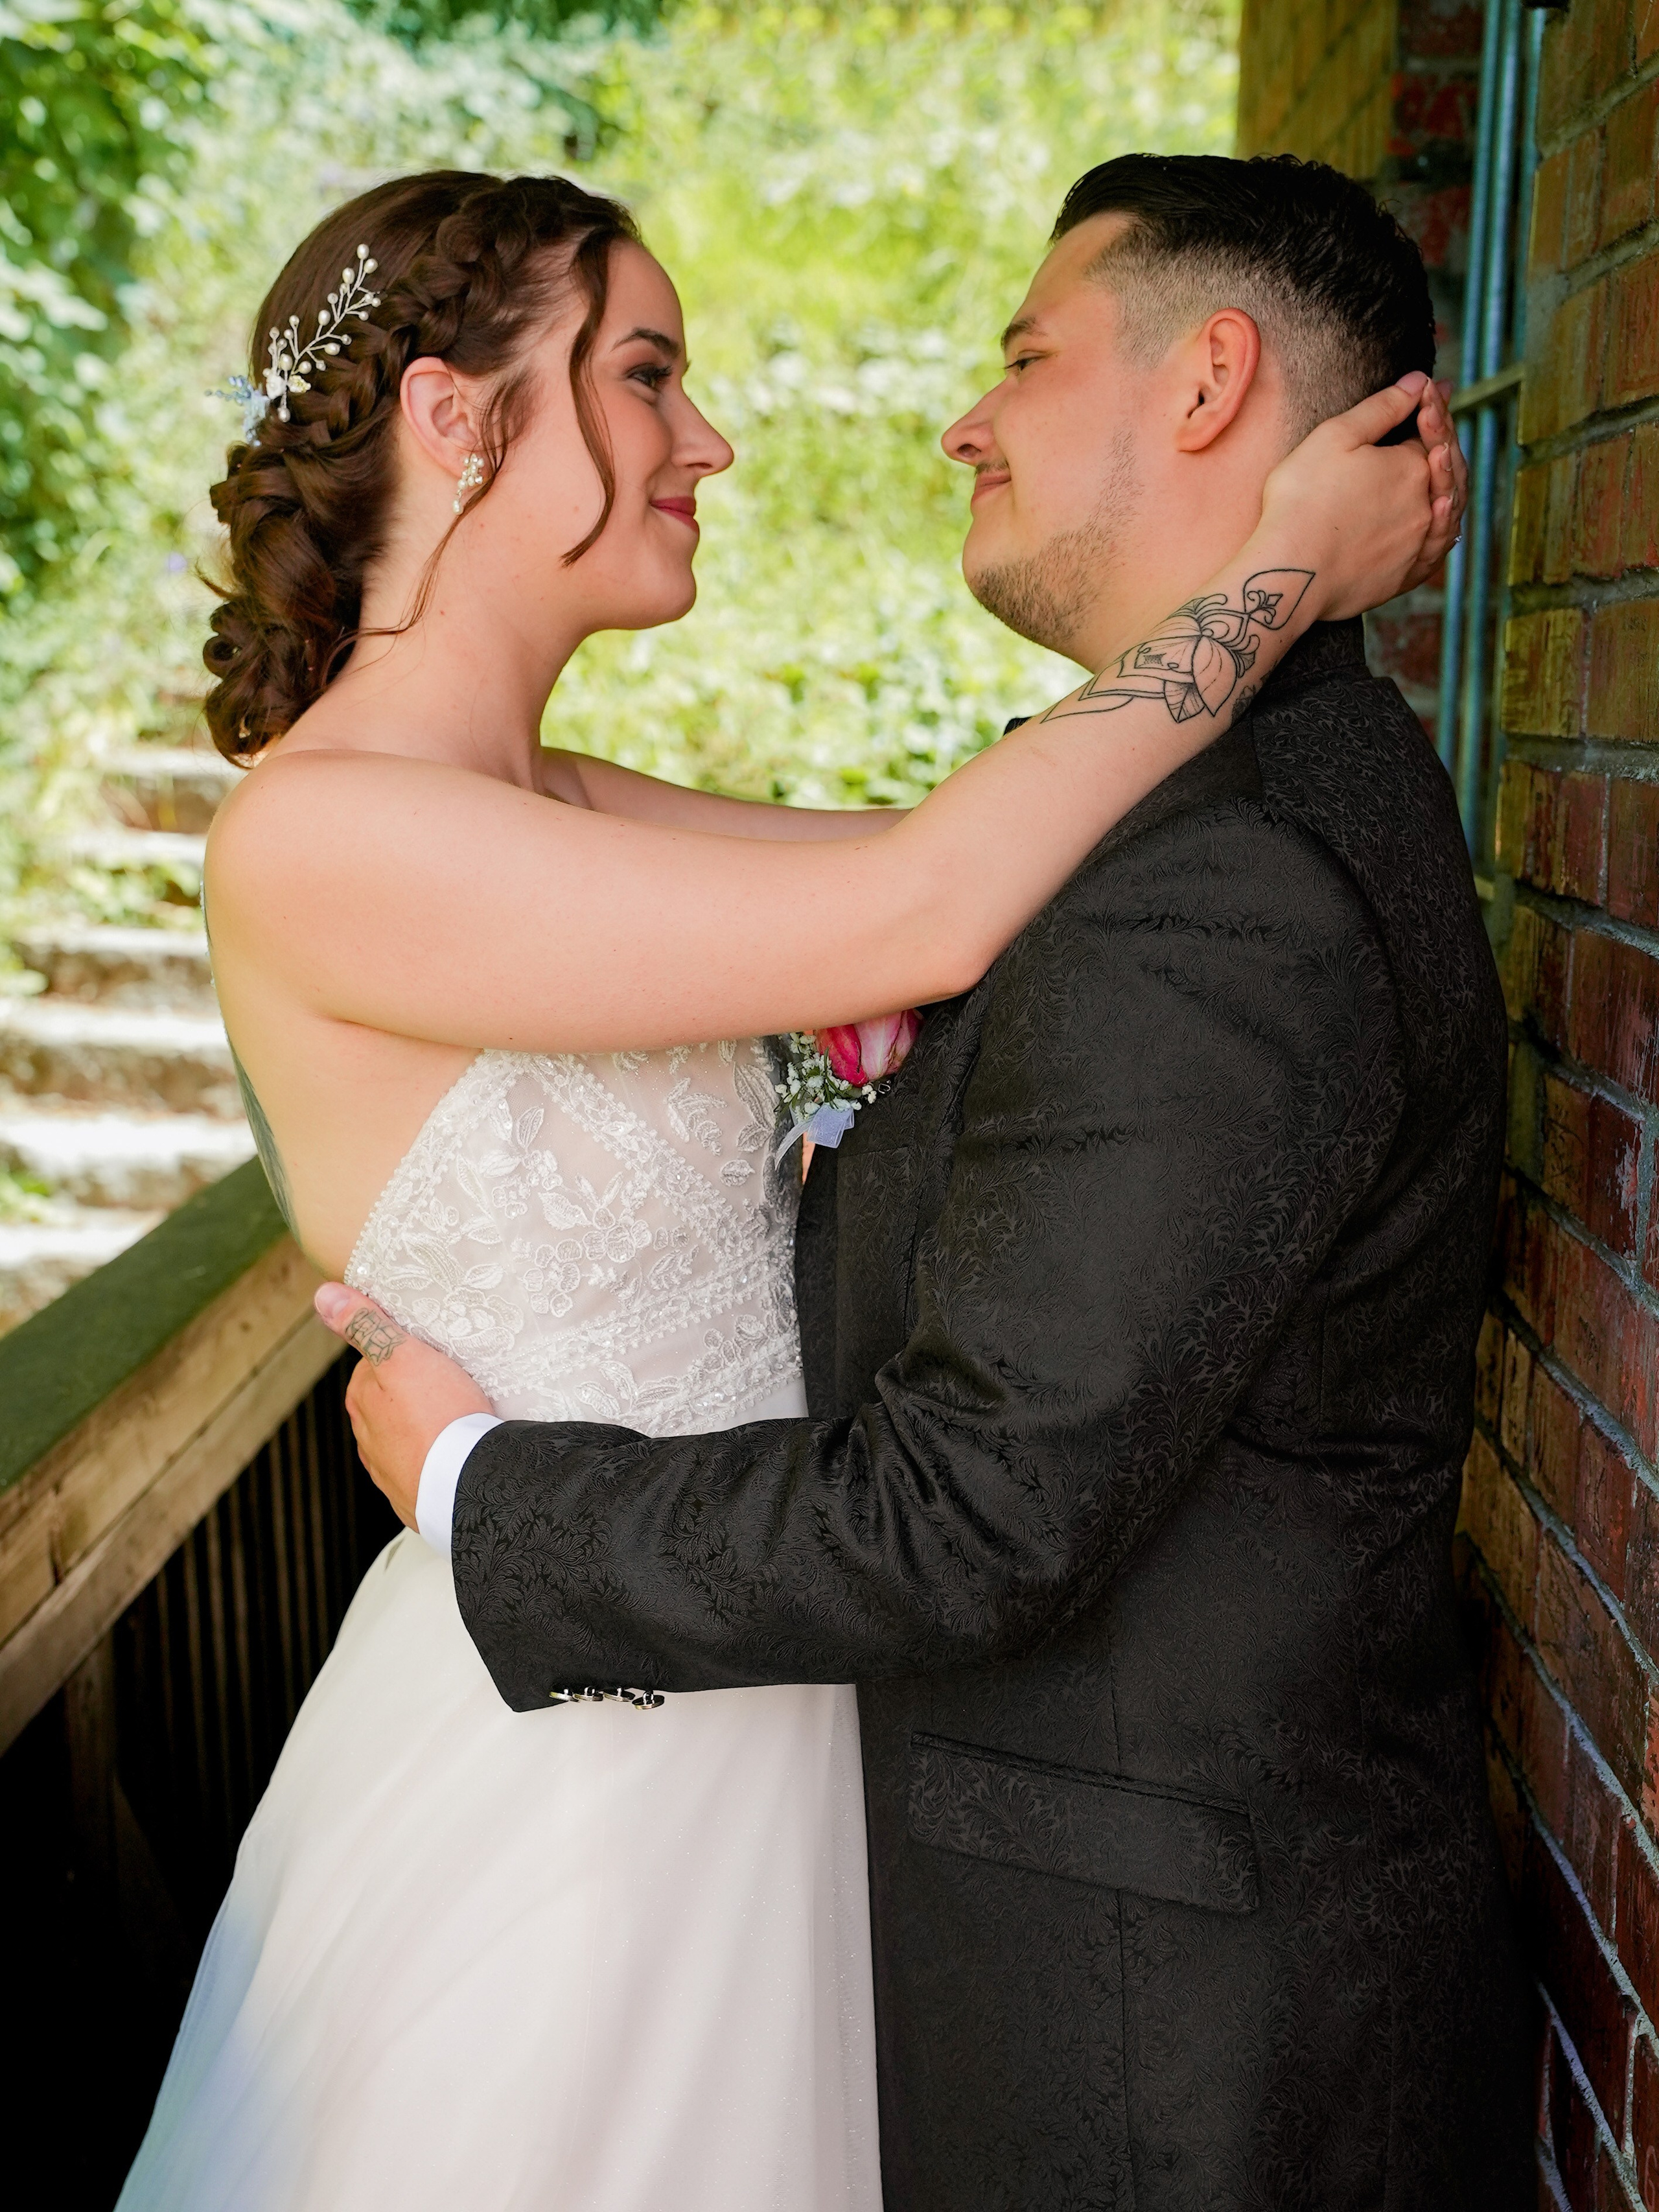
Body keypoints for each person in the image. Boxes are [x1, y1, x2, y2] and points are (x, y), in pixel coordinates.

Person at [120, 162, 1459, 2211]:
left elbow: (993, 868)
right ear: (456, 418)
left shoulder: (558, 804)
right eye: (645, 375)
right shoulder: (320, 844)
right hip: (582, 1754)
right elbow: (932, 908)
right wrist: (1282, 569)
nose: (709, 437)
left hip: (804, 1698)